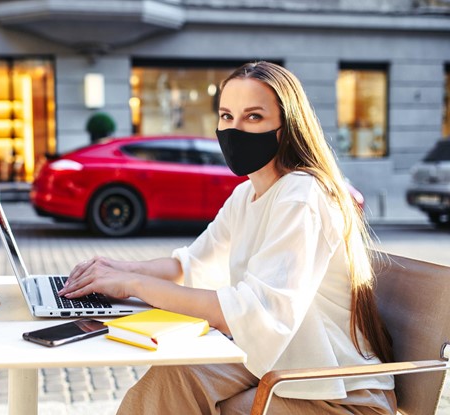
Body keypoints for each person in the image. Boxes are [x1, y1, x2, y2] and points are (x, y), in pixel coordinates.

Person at [58, 61, 396, 414]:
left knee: (219, 404)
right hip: (282, 365)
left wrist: (134, 285)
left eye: (253, 117)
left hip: (339, 390)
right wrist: (118, 270)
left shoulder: (302, 195)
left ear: (287, 126)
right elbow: (190, 266)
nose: (234, 130)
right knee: (173, 379)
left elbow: (256, 312)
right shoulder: (245, 195)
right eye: (226, 116)